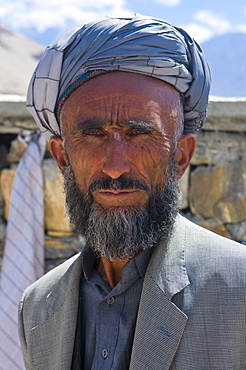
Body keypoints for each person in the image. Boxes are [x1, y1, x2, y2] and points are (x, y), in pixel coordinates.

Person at [18, 14, 246, 370]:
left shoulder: (239, 291)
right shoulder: (38, 305)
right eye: (93, 135)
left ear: (181, 156)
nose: (115, 166)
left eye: (140, 134)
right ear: (63, 157)